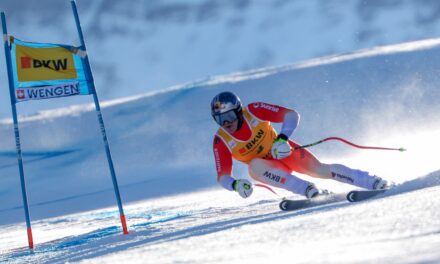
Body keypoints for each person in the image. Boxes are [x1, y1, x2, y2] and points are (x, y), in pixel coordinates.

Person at [211, 91, 392, 199]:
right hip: (269, 169)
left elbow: (291, 115)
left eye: (229, 117)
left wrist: (282, 138)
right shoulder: (222, 140)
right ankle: (307, 190)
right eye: (220, 119)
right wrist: (235, 185)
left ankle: (372, 181)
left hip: (284, 151)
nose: (226, 123)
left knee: (321, 170)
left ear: (239, 112)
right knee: (254, 166)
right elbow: (223, 176)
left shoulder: (253, 111)